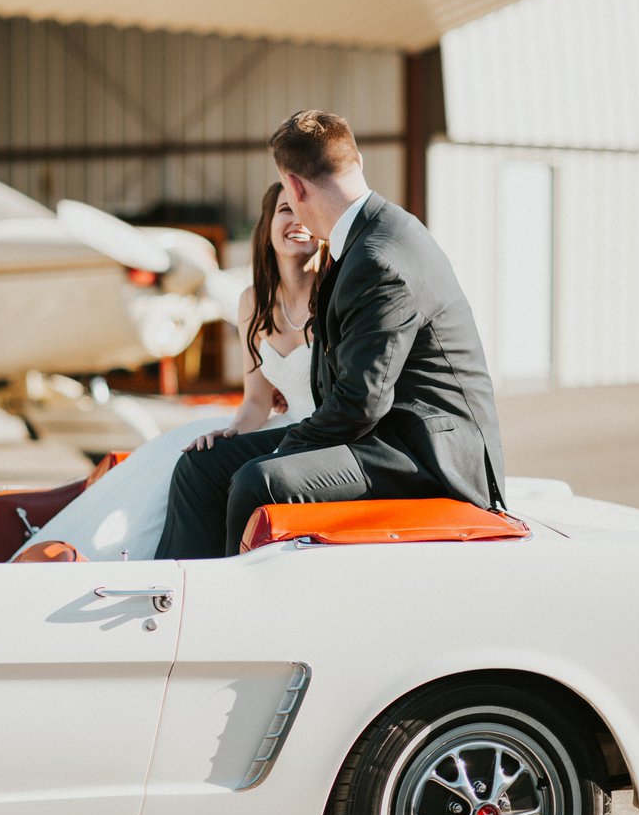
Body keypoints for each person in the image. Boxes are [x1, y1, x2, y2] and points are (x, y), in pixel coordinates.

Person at [155, 109, 505, 560]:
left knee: (259, 480)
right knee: (203, 466)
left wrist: (281, 448)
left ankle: (234, 598)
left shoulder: (376, 256)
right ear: (356, 161)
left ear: (294, 186)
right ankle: (181, 583)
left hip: (424, 453)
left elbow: (361, 402)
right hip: (384, 435)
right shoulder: (374, 231)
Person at [13, 183, 322, 561]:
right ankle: (111, 560)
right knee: (173, 455)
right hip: (274, 423)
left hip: (320, 432)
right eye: (285, 210)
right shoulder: (251, 302)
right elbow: (257, 400)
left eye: (305, 212)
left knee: (201, 469)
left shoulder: (336, 298)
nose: (297, 221)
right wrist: (231, 431)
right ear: (268, 226)